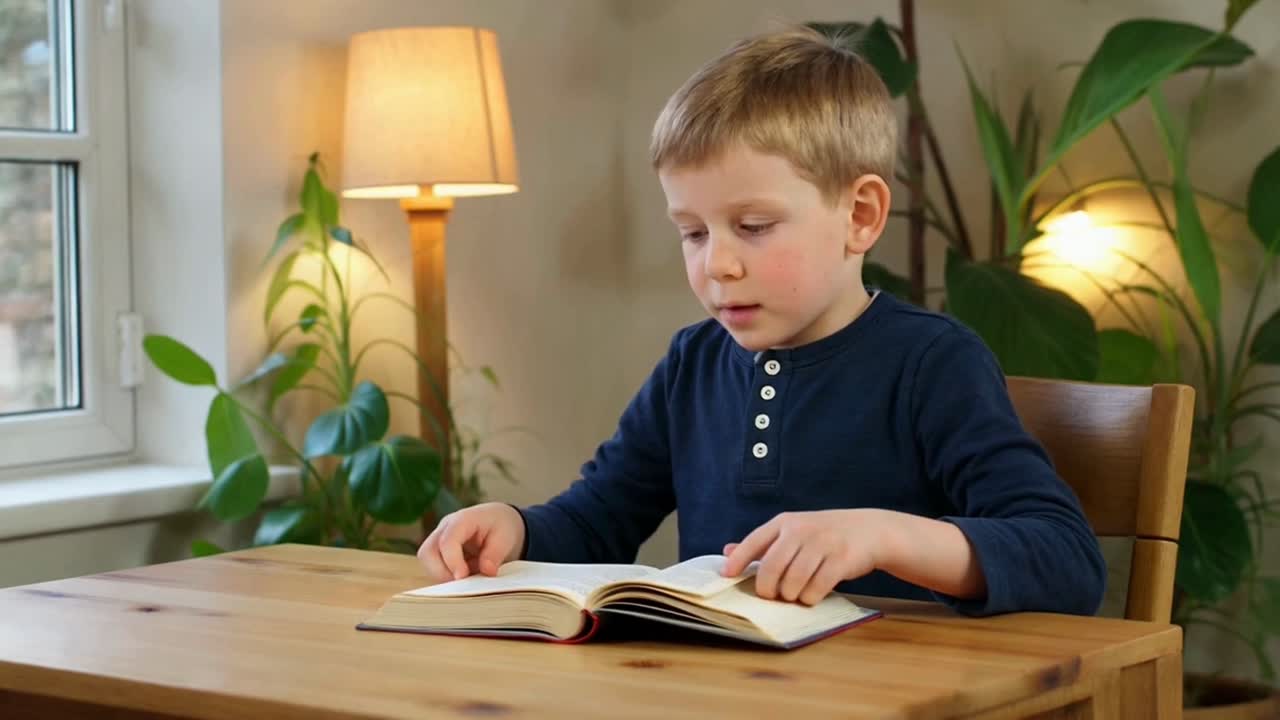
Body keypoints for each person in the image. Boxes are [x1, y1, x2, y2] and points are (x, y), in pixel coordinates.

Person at [417, 26, 1106, 616]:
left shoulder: (932, 364)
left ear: (860, 216)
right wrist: (513, 525)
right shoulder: (693, 363)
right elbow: (598, 519)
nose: (717, 264)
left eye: (752, 226)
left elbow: (1067, 558)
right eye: (691, 233)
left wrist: (882, 536)